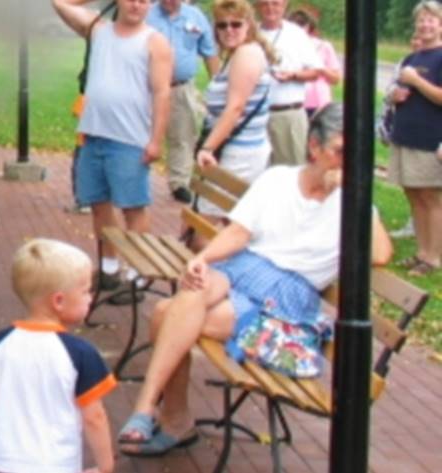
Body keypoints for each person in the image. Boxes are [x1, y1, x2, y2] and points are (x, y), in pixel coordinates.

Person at [115, 104, 394, 456]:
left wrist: (356, 196)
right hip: (245, 271)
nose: (347, 163)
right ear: (314, 146)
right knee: (192, 291)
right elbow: (238, 233)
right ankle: (154, 412)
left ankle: (166, 417)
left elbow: (380, 254)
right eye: (340, 151)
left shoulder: (351, 203)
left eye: (357, 156)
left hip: (286, 303)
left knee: (165, 313)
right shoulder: (278, 180)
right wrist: (202, 259)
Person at [0, 239, 116, 473]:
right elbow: (94, 417)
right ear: (58, 301)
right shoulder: (80, 353)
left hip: (0, 461)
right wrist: (105, 466)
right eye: (85, 291)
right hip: (54, 464)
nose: (90, 297)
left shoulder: (1, 343)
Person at [54, 0, 174, 291]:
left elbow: (162, 93)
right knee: (99, 205)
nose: (137, 5)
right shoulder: (98, 29)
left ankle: (138, 272)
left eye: (144, 0)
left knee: (133, 208)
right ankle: (109, 268)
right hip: (94, 135)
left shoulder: (155, 42)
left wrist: (155, 140)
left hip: (129, 140)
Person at [195, 0, 277, 218]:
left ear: (248, 24)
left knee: (209, 221)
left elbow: (235, 107)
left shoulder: (246, 54)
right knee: (219, 219)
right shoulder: (235, 54)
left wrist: (208, 148)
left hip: (240, 154)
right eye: (222, 25)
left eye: (236, 24)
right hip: (233, 150)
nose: (229, 30)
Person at [387, 1, 442, 276]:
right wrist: (394, 95)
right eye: (421, 20)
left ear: (440, 25)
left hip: (429, 139)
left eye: (431, 19)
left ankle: (433, 258)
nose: (425, 25)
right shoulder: (412, 58)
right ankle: (421, 252)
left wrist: (417, 82)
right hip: (405, 136)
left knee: (431, 197)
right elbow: (397, 90)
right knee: (413, 194)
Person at [148, 0, 221, 203]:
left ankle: (179, 183)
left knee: (183, 136)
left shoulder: (195, 17)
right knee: (140, 134)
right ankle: (133, 177)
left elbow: (210, 53)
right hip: (147, 88)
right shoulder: (147, 14)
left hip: (180, 87)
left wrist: (218, 88)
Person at [255, 0, 323, 167]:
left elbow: (316, 71)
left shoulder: (296, 34)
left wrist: (293, 75)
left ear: (284, 5)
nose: (270, 8)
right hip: (256, 115)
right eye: (265, 4)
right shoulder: (251, 33)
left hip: (288, 114)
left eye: (275, 4)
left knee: (292, 170)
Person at [287, 9, 342, 117]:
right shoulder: (285, 47)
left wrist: (321, 69)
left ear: (309, 26)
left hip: (321, 104)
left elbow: (336, 79)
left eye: (302, 24)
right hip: (295, 103)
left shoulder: (324, 46)